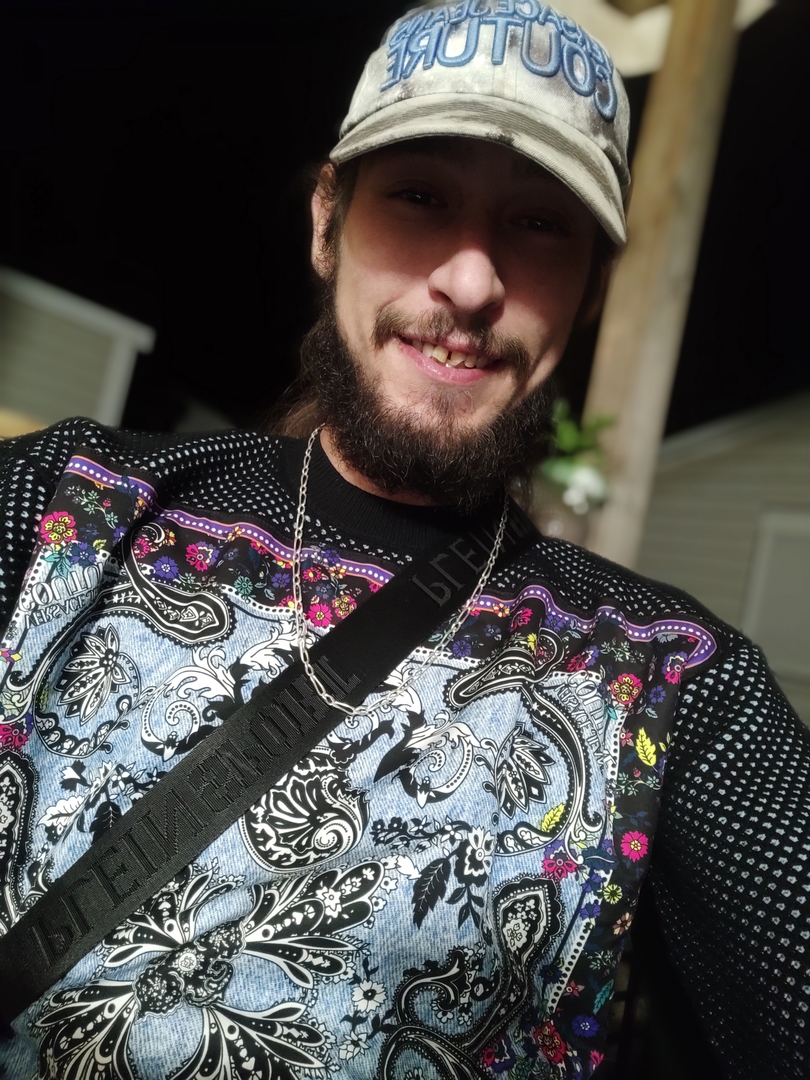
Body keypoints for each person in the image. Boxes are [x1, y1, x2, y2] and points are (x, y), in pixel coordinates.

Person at [0, 3, 807, 1078]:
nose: (472, 283)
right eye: (421, 196)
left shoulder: (673, 682)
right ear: (327, 222)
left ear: (591, 291)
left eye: (540, 223)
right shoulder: (65, 506)